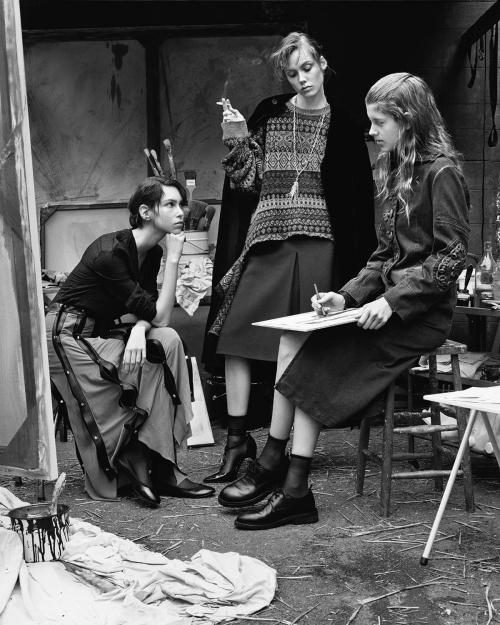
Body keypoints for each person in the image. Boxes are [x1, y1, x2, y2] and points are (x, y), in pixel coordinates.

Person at [217, 72, 471, 529]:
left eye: (379, 122)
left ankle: (294, 486)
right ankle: (276, 465)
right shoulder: (399, 169)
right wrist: (346, 296)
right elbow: (384, 255)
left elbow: (450, 258)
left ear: (407, 120)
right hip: (387, 306)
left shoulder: (442, 173)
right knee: (291, 338)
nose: (370, 131)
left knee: (315, 353)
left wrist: (392, 302)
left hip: (421, 316)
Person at [202, 32, 376, 484]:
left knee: (301, 349)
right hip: (267, 239)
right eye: (293, 72)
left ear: (323, 64)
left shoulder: (344, 125)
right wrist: (238, 139)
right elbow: (247, 184)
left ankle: (284, 452)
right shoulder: (271, 113)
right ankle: (237, 440)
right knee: (234, 337)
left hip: (320, 243)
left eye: (308, 68)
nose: (302, 79)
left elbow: (358, 204)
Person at [46, 177, 215, 505]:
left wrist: (139, 330)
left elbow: (152, 314)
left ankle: (162, 464)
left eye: (181, 204)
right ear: (146, 212)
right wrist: (175, 260)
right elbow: (160, 315)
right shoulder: (110, 253)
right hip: (65, 337)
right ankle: (135, 456)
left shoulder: (151, 253)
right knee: (156, 346)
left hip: (99, 333)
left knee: (166, 341)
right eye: (170, 204)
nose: (181, 212)